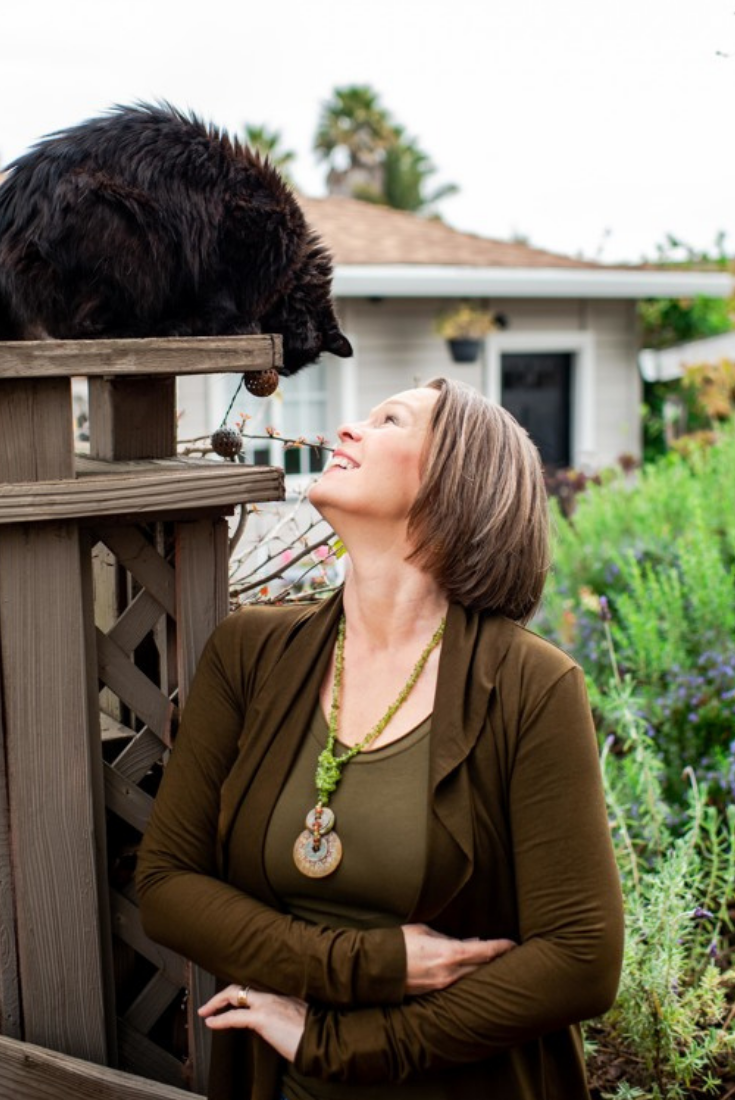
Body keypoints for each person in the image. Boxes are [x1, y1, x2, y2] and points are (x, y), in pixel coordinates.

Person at [136, 377, 625, 1100]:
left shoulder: (532, 685)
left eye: (389, 419)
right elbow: (167, 887)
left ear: (460, 481)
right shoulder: (249, 653)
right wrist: (367, 964)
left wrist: (342, 1044)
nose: (350, 429)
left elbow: (582, 959)